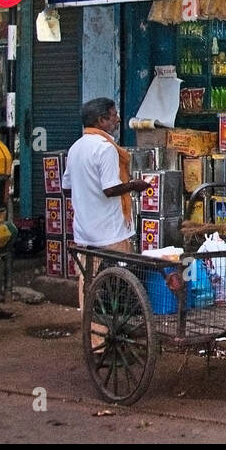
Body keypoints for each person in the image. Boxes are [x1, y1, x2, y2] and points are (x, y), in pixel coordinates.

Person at [63, 98, 149, 308]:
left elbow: (66, 188)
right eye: (113, 116)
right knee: (117, 285)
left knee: (88, 282)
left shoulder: (76, 147)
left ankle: (91, 332)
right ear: (101, 120)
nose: (118, 120)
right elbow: (110, 189)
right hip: (110, 233)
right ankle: (110, 331)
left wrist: (86, 195)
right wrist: (134, 185)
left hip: (84, 231)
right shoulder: (106, 149)